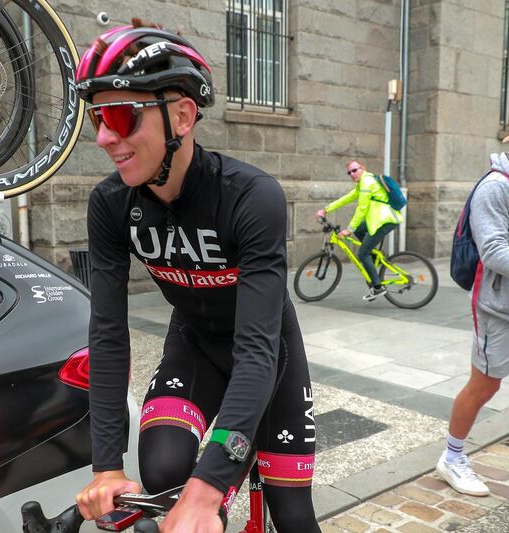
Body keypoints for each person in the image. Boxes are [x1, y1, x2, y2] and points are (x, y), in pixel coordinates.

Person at [74, 19, 320, 533]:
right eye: (97, 116)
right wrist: (106, 467)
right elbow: (108, 335)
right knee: (163, 474)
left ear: (182, 116)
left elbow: (258, 349)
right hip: (194, 344)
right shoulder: (110, 205)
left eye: (121, 115)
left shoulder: (252, 197)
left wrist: (206, 492)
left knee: (293, 517)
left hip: (268, 352)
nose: (103, 137)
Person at [436, 121, 509, 497]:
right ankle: (452, 458)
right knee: (484, 386)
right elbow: (494, 251)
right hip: (501, 309)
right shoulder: (496, 186)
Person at [316, 161, 403, 301]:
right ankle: (374, 257)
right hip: (377, 220)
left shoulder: (367, 183)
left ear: (362, 168)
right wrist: (326, 209)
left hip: (385, 221)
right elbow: (347, 198)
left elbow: (361, 209)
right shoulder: (363, 183)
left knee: (362, 253)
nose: (352, 174)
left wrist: (349, 230)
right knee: (360, 231)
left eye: (354, 170)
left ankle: (377, 287)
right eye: (349, 172)